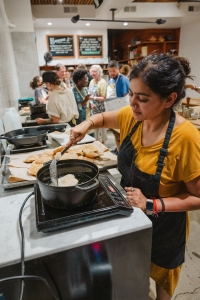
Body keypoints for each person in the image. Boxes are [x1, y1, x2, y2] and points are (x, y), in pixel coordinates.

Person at [67, 53, 200, 300]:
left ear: (169, 99)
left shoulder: (186, 137)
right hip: (130, 217)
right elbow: (104, 118)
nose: (132, 103)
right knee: (133, 275)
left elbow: (198, 197)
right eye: (131, 94)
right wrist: (86, 125)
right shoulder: (134, 118)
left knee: (161, 283)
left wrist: (151, 203)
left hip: (165, 227)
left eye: (143, 98)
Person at [106, 60, 130, 153]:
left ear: (118, 69)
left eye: (114, 71)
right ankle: (118, 150)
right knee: (115, 133)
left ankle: (122, 153)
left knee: (122, 134)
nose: (112, 73)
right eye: (110, 71)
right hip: (112, 110)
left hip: (122, 111)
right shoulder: (110, 80)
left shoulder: (123, 80)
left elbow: (126, 97)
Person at [72, 68, 94, 137]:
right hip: (80, 122)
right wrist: (85, 101)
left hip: (89, 120)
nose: (87, 80)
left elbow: (88, 104)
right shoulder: (72, 92)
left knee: (91, 140)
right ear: (79, 81)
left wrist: (91, 105)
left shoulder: (86, 89)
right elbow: (74, 109)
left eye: (87, 77)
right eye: (85, 78)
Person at [89, 64, 107, 144]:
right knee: (95, 126)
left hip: (101, 109)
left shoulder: (102, 82)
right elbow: (89, 95)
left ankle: (103, 143)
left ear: (99, 72)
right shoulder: (91, 81)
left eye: (95, 71)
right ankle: (96, 142)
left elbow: (104, 97)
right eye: (92, 71)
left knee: (102, 127)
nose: (93, 73)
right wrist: (91, 103)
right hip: (94, 108)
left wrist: (94, 98)